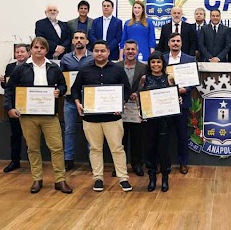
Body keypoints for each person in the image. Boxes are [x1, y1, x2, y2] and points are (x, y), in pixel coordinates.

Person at [4, 37, 72, 194]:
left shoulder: (54, 68)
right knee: (33, 148)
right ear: (31, 50)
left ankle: (60, 180)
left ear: (46, 51)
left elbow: (63, 85)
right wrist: (9, 107)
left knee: (57, 147)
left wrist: (59, 91)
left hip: (49, 115)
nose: (39, 50)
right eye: (36, 47)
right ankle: (37, 179)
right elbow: (9, 89)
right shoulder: (21, 69)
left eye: (42, 48)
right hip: (28, 116)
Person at [71, 40, 133, 192]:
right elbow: (74, 90)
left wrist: (122, 103)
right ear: (93, 52)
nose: (99, 54)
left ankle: (123, 178)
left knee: (117, 148)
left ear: (108, 52)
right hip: (91, 118)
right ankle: (98, 178)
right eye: (97, 51)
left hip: (113, 118)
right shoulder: (84, 70)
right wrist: (78, 102)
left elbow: (127, 90)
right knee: (95, 149)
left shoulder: (117, 69)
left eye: (102, 51)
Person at [141, 51, 180, 192]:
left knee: (164, 150)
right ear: (149, 64)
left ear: (163, 63)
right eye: (153, 62)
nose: (156, 65)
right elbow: (141, 98)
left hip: (165, 121)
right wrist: (141, 110)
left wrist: (178, 100)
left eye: (158, 62)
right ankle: (151, 178)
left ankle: (165, 178)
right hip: (149, 121)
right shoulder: (144, 79)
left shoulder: (170, 78)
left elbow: (174, 97)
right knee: (149, 149)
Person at [59, 30, 94, 170]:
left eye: (82, 38)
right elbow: (61, 79)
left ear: (87, 41)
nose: (79, 40)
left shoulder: (93, 57)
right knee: (69, 130)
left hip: (89, 100)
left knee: (91, 131)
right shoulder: (65, 58)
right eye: (76, 38)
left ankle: (93, 159)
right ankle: (68, 159)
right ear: (73, 41)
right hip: (70, 100)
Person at [163, 32, 196, 174]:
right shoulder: (162, 58)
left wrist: (185, 89)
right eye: (173, 41)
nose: (175, 43)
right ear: (168, 43)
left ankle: (183, 163)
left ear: (181, 43)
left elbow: (193, 81)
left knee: (182, 135)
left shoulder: (189, 59)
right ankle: (163, 163)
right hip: (164, 103)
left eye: (178, 41)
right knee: (164, 135)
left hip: (182, 102)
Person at [118, 39, 148, 176]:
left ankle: (137, 165)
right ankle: (120, 166)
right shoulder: (116, 66)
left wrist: (138, 93)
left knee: (137, 138)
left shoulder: (144, 67)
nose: (130, 52)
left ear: (137, 51)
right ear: (124, 51)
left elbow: (147, 85)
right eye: (128, 49)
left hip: (136, 108)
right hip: (120, 107)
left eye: (133, 49)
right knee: (120, 138)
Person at [1, 43, 30, 173]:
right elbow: (8, 87)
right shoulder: (10, 67)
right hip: (14, 106)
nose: (19, 54)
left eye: (22, 52)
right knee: (15, 134)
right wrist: (3, 82)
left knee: (31, 135)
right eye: (17, 52)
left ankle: (33, 161)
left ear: (28, 53)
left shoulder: (32, 66)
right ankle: (15, 161)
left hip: (30, 105)